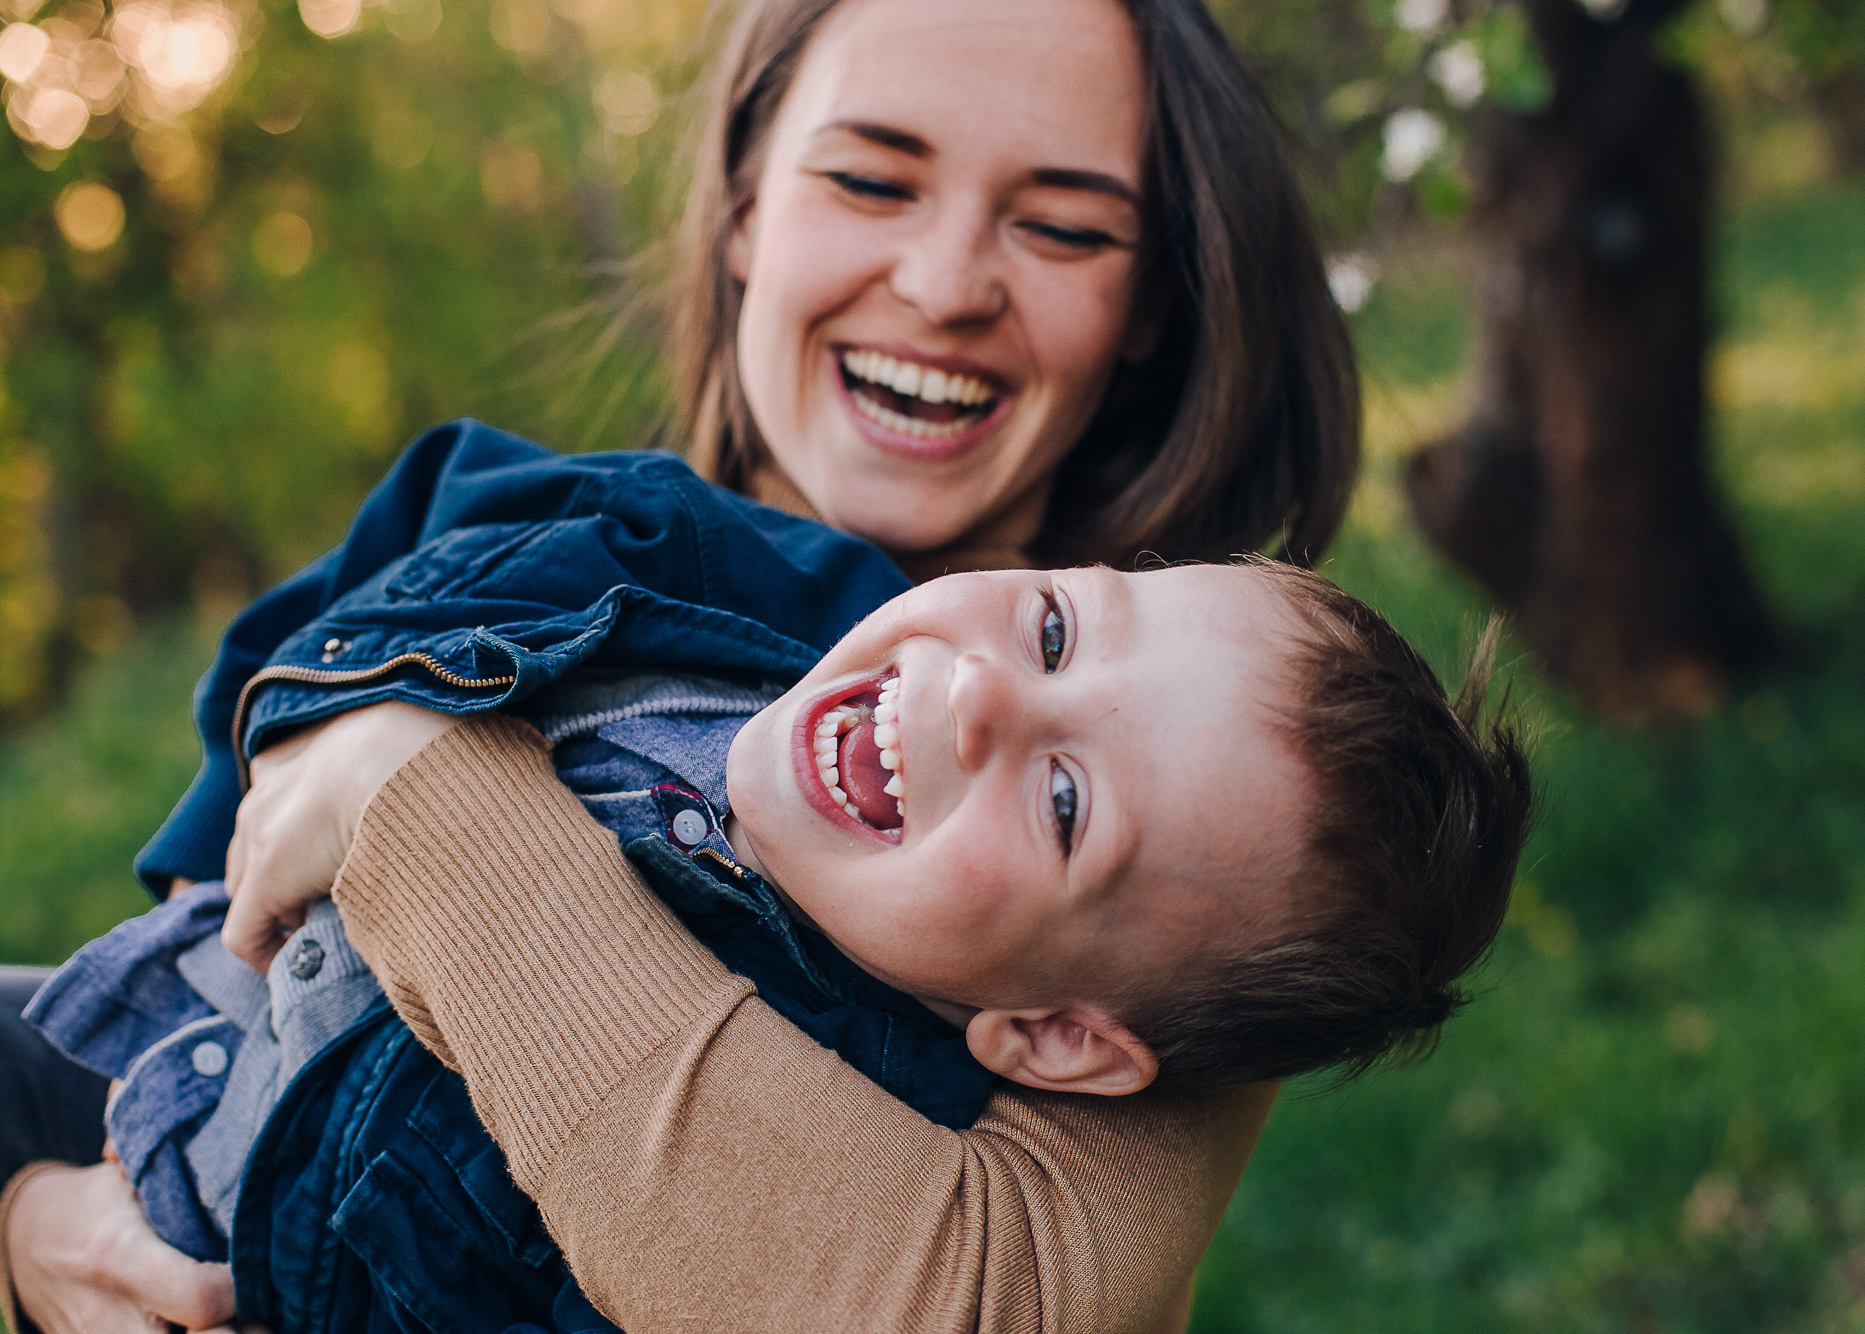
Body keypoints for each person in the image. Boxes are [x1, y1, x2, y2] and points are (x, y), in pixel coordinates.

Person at [2, 0, 1366, 1329]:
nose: (947, 287)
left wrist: (412, 784)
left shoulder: (1195, 852)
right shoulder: (495, 545)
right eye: (871, 178)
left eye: (1065, 227)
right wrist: (28, 1230)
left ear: (1149, 300)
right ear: (744, 208)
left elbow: (954, 1300)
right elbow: (169, 996)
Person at [18, 435, 1527, 1334]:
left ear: (1061, 1037)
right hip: (119, 1020)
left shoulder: (859, 1122)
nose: (985, 697)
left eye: (1068, 804)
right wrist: (254, 790)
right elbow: (443, 505)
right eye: (1061, 631)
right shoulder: (731, 576)